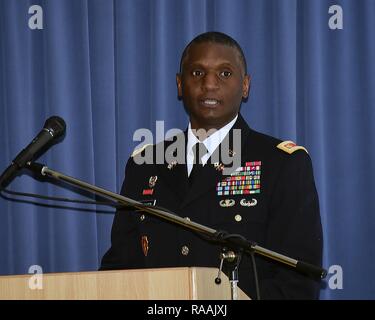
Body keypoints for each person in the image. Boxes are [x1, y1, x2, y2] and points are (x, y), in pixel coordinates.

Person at [100, 31, 323, 299]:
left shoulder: (282, 164)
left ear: (245, 85)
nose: (209, 84)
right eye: (197, 73)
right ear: (179, 85)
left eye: (225, 73)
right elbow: (119, 270)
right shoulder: (145, 165)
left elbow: (298, 282)